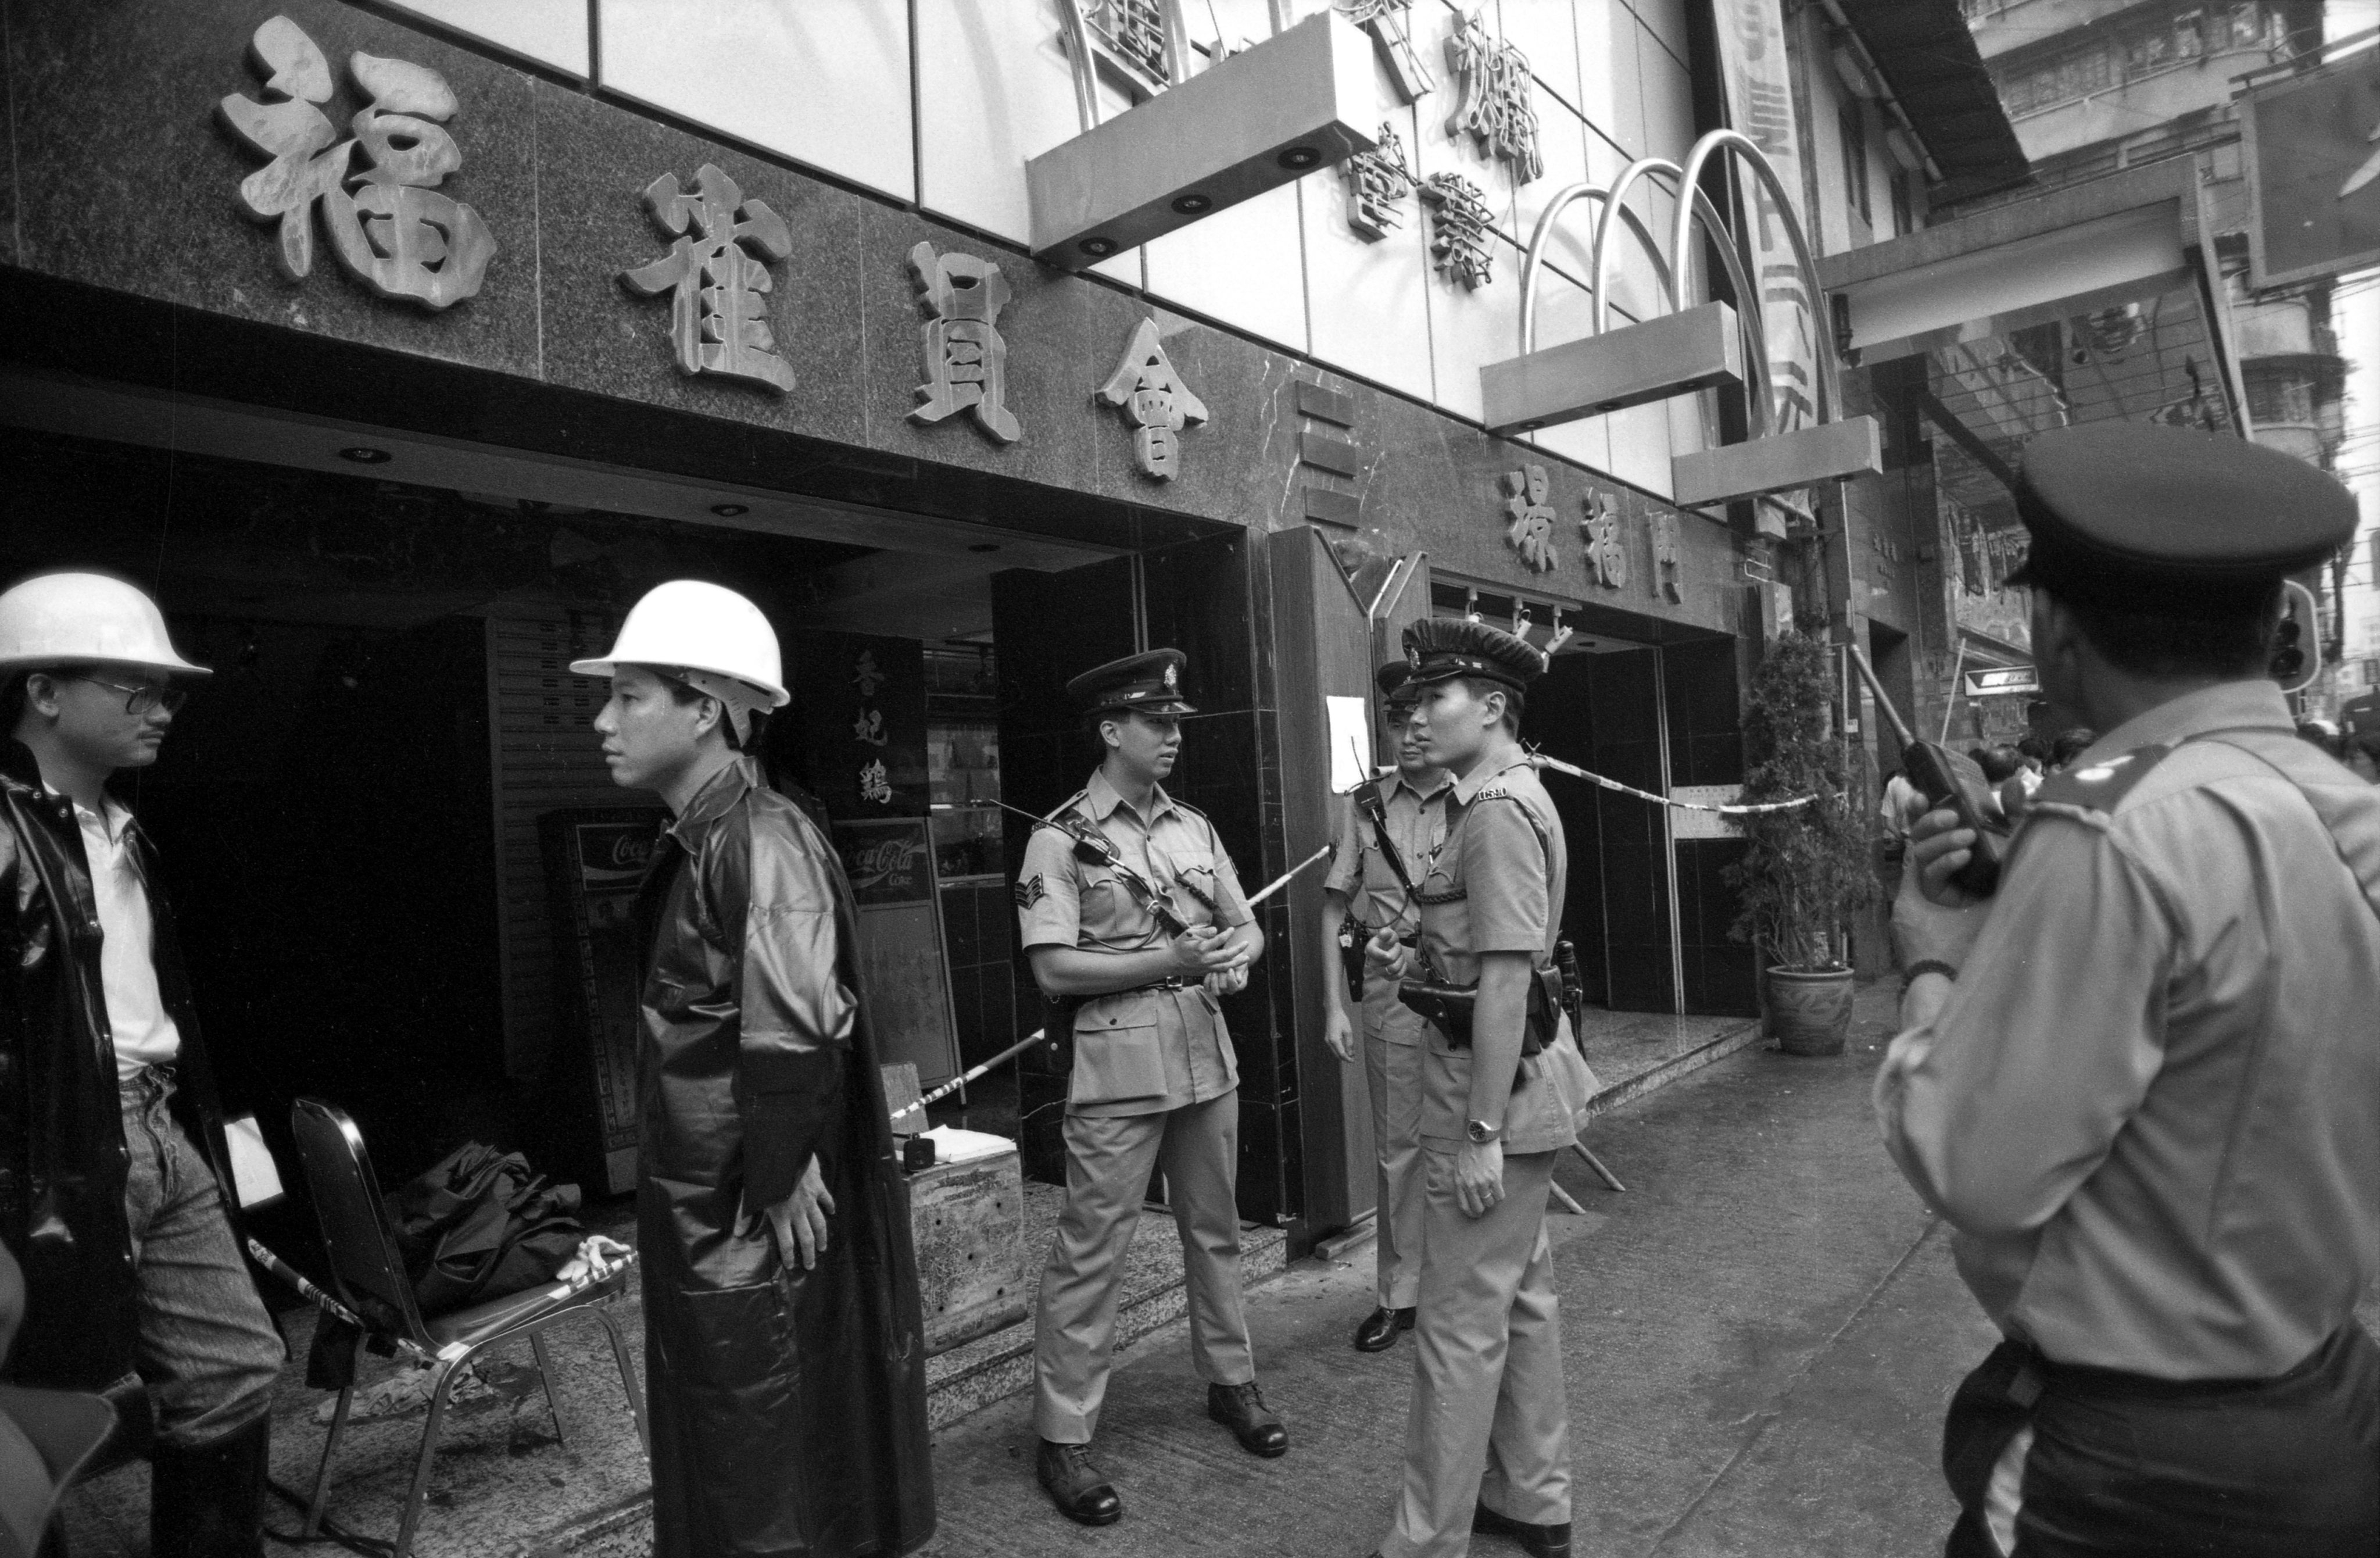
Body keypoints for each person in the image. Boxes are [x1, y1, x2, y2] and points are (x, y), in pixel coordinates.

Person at [1878, 422, 2379, 1558]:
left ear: (2054, 630)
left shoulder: (2111, 826)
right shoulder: (2342, 803)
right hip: (2329, 1402)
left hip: (2142, 1475)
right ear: (2275, 627)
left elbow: (1975, 1170)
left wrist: (1932, 960)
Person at [573, 580, 933, 1558]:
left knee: (765, 1456)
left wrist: (777, 1172)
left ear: (707, 706)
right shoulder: (707, 837)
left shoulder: (760, 839)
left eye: (630, 695)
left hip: (744, 1213)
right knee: (742, 1447)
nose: (603, 720)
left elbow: (795, 1029)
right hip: (713, 1207)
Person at [0, 571, 285, 1558]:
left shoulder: (122, 831)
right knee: (37, 1416)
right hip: (54, 1148)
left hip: (156, 1129)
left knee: (234, 1368)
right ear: (44, 690)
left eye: (168, 693)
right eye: (135, 688)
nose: (161, 710)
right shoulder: (2, 831)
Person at [1017, 649, 1279, 1527]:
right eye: (1155, 724)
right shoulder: (1057, 838)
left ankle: (1230, 1382)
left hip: (1208, 1058)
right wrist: (1165, 958)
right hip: (1119, 1067)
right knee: (1093, 1250)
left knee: (1217, 1234)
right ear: (1109, 731)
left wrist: (1235, 959)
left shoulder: (1193, 828)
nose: (1172, 737)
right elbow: (1052, 966)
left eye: (1175, 724)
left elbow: (1246, 927)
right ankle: (1062, 1433)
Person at [1362, 619, 1597, 1558]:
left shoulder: (1495, 809)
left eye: (1434, 699)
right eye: (1410, 704)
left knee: (1457, 1330)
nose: (1414, 717)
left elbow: (1507, 978)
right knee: (1522, 1299)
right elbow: (1491, 952)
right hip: (1525, 1076)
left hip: (1489, 1089)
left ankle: (1425, 1540)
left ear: (1493, 707)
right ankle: (1534, 1500)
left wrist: (1482, 1132)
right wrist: (1413, 947)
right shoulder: (1513, 794)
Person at [1320, 662, 1451, 1353]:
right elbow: (1336, 903)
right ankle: (1398, 1296)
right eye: (1397, 719)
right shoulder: (1367, 803)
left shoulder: (1482, 797)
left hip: (1463, 988)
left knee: (1463, 1141)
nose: (1410, 732)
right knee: (1399, 1149)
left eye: (1423, 716)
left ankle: (1459, 1288)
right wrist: (1332, 1004)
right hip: (1390, 991)